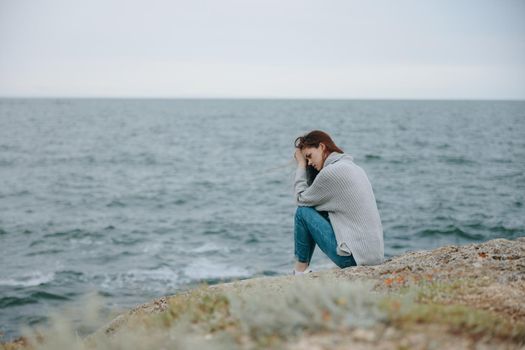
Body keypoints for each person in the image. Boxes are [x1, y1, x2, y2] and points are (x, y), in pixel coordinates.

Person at [292, 130, 384, 275]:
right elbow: (316, 198)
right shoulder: (354, 167)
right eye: (307, 160)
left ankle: (299, 271)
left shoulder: (331, 172)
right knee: (314, 210)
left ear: (322, 147)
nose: (310, 162)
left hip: (354, 260)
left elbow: (301, 199)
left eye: (309, 156)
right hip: (374, 256)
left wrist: (301, 165)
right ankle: (302, 270)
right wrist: (308, 164)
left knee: (302, 213)